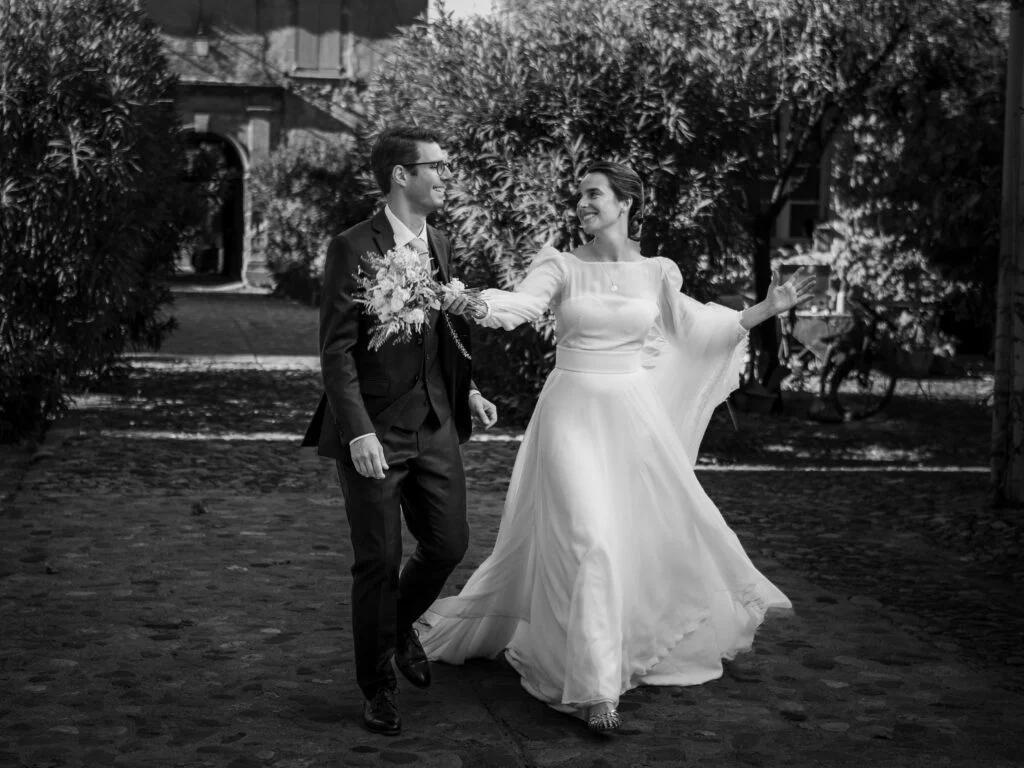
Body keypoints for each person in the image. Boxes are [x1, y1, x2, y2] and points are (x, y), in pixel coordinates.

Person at [417, 162, 816, 732]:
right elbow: (520, 307)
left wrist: (767, 309)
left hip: (632, 419)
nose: (581, 202)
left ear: (627, 202)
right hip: (570, 417)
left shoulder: (657, 271)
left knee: (627, 537)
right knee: (590, 540)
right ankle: (597, 689)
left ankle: (602, 662)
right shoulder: (560, 265)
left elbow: (697, 333)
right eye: (578, 194)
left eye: (593, 193)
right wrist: (457, 300)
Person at [302, 126, 499, 736]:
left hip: (436, 422)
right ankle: (378, 685)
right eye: (436, 166)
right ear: (401, 175)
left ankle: (399, 629)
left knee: (448, 544)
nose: (445, 175)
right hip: (376, 433)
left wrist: (465, 387)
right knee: (378, 561)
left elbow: (441, 331)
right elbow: (337, 352)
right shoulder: (352, 246)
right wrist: (357, 431)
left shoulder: (438, 241)